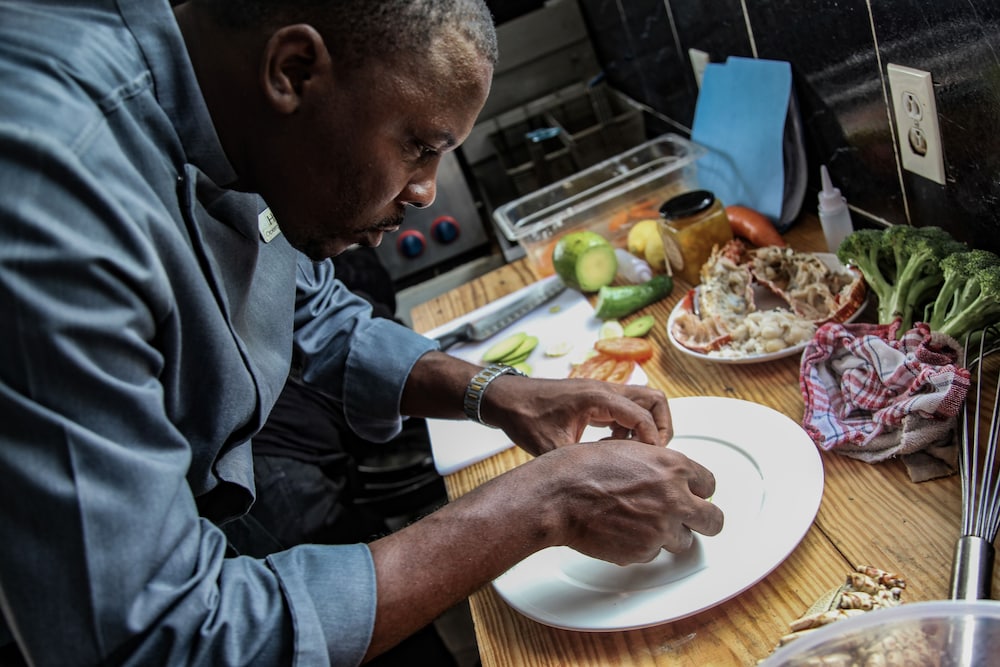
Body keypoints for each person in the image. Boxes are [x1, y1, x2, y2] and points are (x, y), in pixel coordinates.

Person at [0, 2, 725, 667]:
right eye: (418, 145)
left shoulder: (224, 110)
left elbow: (301, 304)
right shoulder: (53, 193)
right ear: (294, 71)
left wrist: (496, 392)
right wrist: (548, 502)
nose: (425, 191)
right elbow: (158, 635)